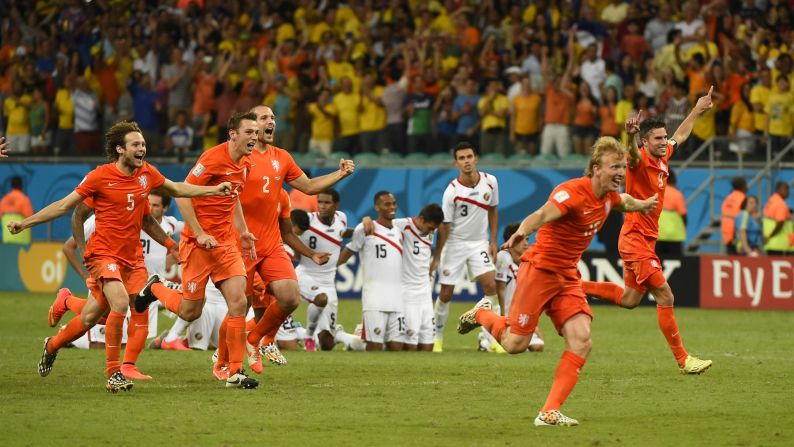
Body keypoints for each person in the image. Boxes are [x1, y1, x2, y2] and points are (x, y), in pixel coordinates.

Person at [6, 120, 231, 393]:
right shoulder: (100, 176)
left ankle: (53, 344)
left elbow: (176, 190)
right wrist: (25, 223)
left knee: (92, 317)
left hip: (132, 258)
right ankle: (115, 373)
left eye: (143, 144)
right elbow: (66, 207)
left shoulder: (147, 174)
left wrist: (213, 191)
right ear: (120, 149)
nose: (142, 149)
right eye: (136, 144)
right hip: (103, 254)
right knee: (122, 303)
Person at [457, 136, 658, 426]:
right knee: (515, 345)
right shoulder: (571, 193)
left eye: (622, 167)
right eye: (614, 166)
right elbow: (541, 214)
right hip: (540, 271)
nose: (620, 172)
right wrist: (521, 232)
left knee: (582, 341)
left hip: (567, 276)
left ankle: (548, 411)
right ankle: (482, 314)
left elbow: (623, 201)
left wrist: (642, 204)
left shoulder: (609, 197)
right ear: (595, 168)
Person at [581, 90, 715, 375]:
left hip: (644, 239)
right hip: (634, 238)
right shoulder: (638, 159)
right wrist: (630, 136)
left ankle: (573, 287)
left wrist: (697, 109)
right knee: (666, 296)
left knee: (630, 300)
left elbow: (683, 133)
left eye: (664, 137)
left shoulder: (664, 155)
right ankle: (683, 360)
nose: (664, 141)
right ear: (645, 141)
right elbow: (629, 154)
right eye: (658, 138)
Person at [134, 111, 261, 389]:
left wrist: (243, 233)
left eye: (256, 132)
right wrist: (200, 233)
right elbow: (183, 196)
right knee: (190, 312)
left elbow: (234, 197)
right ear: (233, 134)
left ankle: (233, 371)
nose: (255, 137)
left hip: (225, 243)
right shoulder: (212, 159)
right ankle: (155, 288)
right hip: (198, 244)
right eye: (249, 132)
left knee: (239, 301)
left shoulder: (247, 163)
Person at [237, 104, 353, 369]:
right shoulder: (237, 157)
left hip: (270, 244)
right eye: (265, 117)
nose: (271, 122)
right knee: (237, 305)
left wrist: (340, 173)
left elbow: (310, 186)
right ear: (251, 126)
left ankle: (257, 339)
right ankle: (226, 359)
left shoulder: (282, 157)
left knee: (289, 297)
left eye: (273, 118)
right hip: (240, 244)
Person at [56, 192, 182, 359]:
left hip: (141, 284)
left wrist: (175, 256)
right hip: (112, 277)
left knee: (128, 339)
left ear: (165, 208)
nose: (150, 208)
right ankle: (69, 317)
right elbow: (68, 245)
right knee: (100, 339)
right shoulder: (100, 219)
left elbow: (188, 230)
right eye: (148, 203)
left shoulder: (166, 224)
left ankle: (69, 314)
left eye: (155, 205)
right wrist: (87, 274)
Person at [432, 142, 499, 353]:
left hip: (479, 242)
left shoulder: (491, 182)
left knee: (491, 287)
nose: (466, 161)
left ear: (476, 158)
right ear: (456, 162)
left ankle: (492, 339)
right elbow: (445, 227)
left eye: (469, 156)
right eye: (461, 158)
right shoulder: (451, 192)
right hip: (455, 244)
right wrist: (438, 256)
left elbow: (493, 210)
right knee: (446, 293)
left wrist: (493, 241)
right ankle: (437, 338)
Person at [337, 191, 405, 351]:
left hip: (397, 298)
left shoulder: (400, 230)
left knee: (396, 348)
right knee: (374, 347)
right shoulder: (365, 228)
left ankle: (353, 338)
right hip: (374, 298)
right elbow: (346, 255)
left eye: (394, 203)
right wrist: (327, 269)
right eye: (387, 204)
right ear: (376, 207)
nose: (392, 207)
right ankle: (342, 337)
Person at [296, 190, 354, 351]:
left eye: (327, 203)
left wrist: (360, 231)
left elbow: (340, 233)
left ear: (336, 205)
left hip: (329, 281)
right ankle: (308, 336)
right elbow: (291, 232)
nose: (322, 206)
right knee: (321, 299)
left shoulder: (342, 218)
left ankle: (299, 332)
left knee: (327, 344)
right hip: (306, 275)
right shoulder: (307, 220)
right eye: (319, 202)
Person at [484, 223, 544, 353]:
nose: (526, 243)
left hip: (516, 319)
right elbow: (499, 290)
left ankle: (489, 339)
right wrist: (502, 319)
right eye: (523, 239)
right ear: (512, 239)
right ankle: (485, 339)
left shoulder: (525, 263)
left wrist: (534, 325)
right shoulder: (503, 257)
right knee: (506, 350)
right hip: (501, 318)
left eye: (527, 239)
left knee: (538, 346)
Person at [392, 204, 444, 352]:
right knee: (410, 346)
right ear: (420, 219)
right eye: (430, 227)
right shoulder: (402, 225)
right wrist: (367, 220)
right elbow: (379, 227)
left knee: (428, 346)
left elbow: (444, 229)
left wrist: (436, 258)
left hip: (425, 293)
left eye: (434, 229)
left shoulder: (430, 229)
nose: (431, 231)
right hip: (407, 292)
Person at [657, 170, 687, 254]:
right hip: (675, 236)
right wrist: (684, 227)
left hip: (658, 235)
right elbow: (683, 215)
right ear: (673, 180)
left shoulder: (657, 192)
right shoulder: (677, 194)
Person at [1, 175, 34, 244]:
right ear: (21, 185)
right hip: (22, 240)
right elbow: (31, 218)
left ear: (11, 185)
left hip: (7, 239)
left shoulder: (4, 199)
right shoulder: (24, 199)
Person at [762, 182, 792, 256]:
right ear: (778, 189)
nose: (787, 192)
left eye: (788, 189)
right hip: (781, 245)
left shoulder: (771, 201)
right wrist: (770, 236)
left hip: (771, 243)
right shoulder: (780, 204)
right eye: (785, 189)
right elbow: (780, 223)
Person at [721, 177, 747, 254]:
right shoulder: (743, 199)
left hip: (727, 236)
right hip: (738, 236)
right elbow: (748, 217)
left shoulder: (727, 199)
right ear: (742, 186)